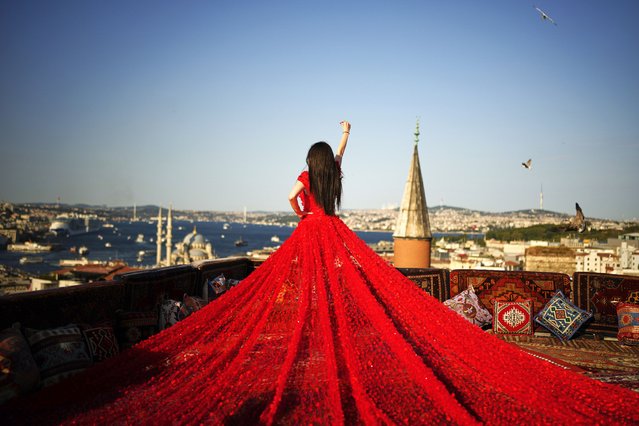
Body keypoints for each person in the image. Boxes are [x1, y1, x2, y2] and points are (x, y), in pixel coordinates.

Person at [3, 122, 639, 425]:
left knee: (302, 298)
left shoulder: (308, 180)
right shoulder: (331, 174)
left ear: (307, 165)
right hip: (333, 234)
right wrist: (345, 140)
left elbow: (291, 198)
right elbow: (331, 167)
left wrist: (302, 205)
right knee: (339, 295)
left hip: (309, 233)